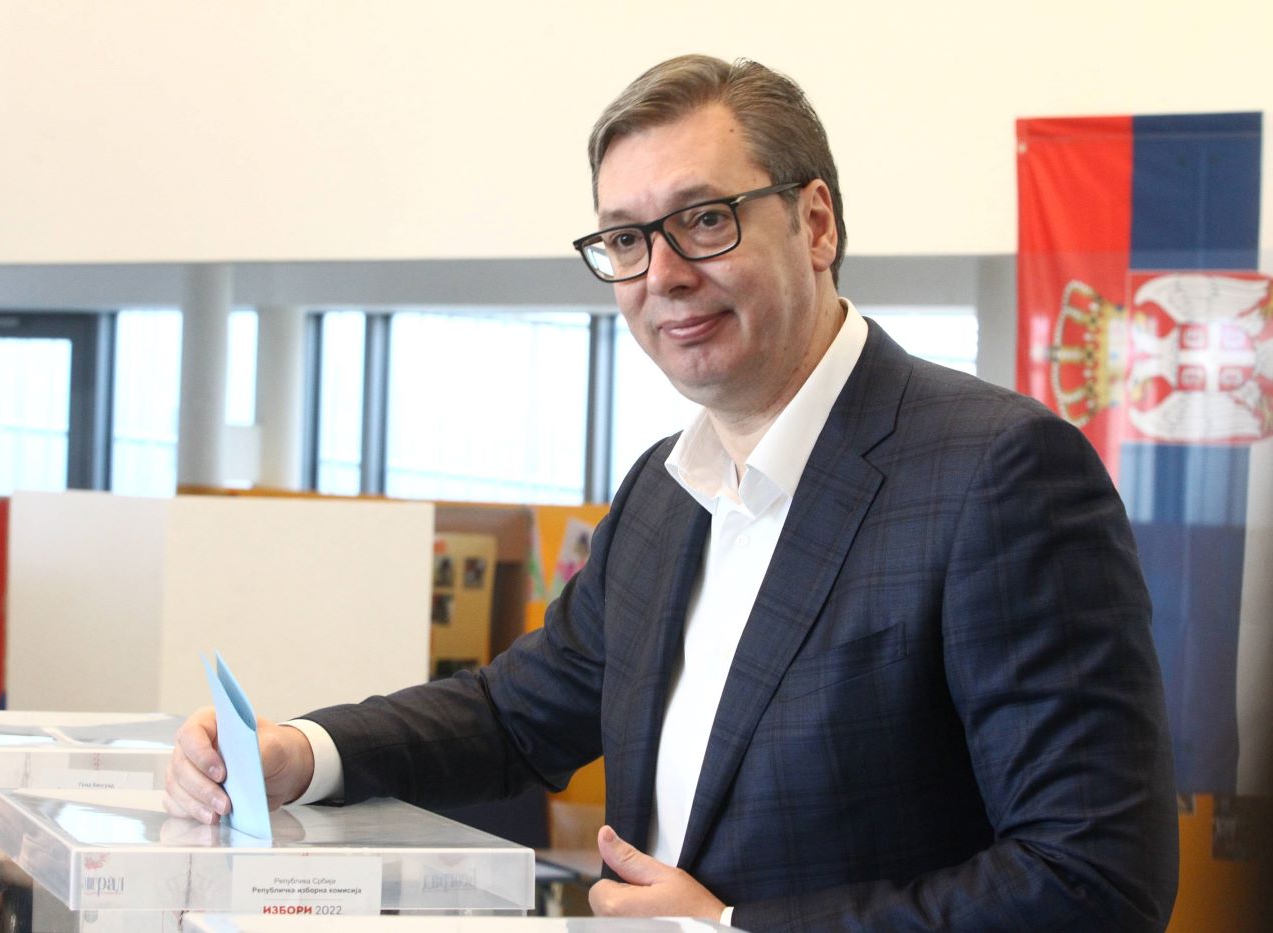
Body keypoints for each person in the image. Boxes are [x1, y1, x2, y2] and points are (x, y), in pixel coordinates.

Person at [168, 54, 1178, 930]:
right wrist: (303, 751)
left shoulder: (999, 473)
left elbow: (1092, 877)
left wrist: (733, 929)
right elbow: (515, 715)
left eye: (703, 220)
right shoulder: (662, 491)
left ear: (815, 223)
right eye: (625, 239)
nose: (662, 274)